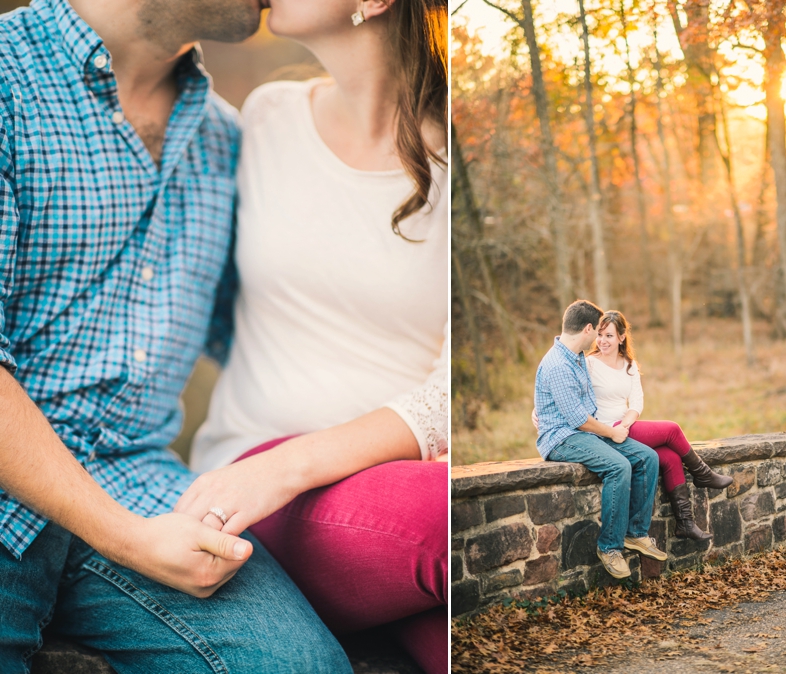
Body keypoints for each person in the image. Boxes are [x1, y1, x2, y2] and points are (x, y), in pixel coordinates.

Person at [0, 0, 352, 671]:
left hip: (145, 483)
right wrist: (126, 539)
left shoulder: (224, 135)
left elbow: (270, 334)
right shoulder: (7, 79)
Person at [177, 1, 449, 672]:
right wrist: (274, 469)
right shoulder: (270, 116)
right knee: (461, 520)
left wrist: (292, 465)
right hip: (257, 486)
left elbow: (454, 386)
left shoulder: (467, 155)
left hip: (381, 487)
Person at [534, 300, 666, 580]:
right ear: (588, 328)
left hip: (586, 432)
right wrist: (613, 432)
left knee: (648, 458)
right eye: (598, 333)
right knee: (619, 466)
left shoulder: (577, 356)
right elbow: (577, 419)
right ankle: (609, 547)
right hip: (561, 437)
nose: (600, 340)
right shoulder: (559, 364)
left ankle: (636, 533)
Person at [585, 310, 733, 540]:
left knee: (671, 458)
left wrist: (625, 423)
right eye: (600, 335)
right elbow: (567, 390)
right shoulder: (589, 364)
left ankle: (684, 522)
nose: (603, 341)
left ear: (622, 337)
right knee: (672, 429)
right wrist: (539, 410)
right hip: (605, 429)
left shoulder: (629, 365)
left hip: (623, 424)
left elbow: (636, 401)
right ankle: (702, 473)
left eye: (609, 336)